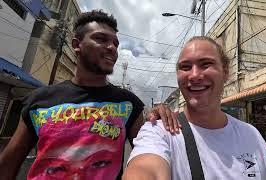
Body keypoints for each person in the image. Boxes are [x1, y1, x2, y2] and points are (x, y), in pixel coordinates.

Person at [0, 10, 178, 180]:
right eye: (101, 39)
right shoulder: (39, 100)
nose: (112, 48)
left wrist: (159, 117)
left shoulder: (128, 103)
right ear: (77, 45)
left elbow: (150, 155)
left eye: (115, 43)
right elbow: (8, 165)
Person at [123, 36, 266, 180]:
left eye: (206, 64)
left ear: (226, 72)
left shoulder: (252, 135)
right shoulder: (160, 131)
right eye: (185, 67)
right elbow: (145, 168)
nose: (194, 75)